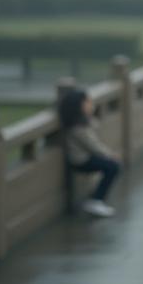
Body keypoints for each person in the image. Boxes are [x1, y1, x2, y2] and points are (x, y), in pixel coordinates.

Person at [57, 87, 122, 218]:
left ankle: (96, 198)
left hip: (85, 157)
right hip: (80, 160)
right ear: (78, 106)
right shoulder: (77, 127)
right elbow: (93, 146)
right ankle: (96, 200)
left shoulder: (80, 122)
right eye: (87, 102)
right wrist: (110, 154)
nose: (91, 105)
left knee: (111, 166)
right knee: (113, 167)